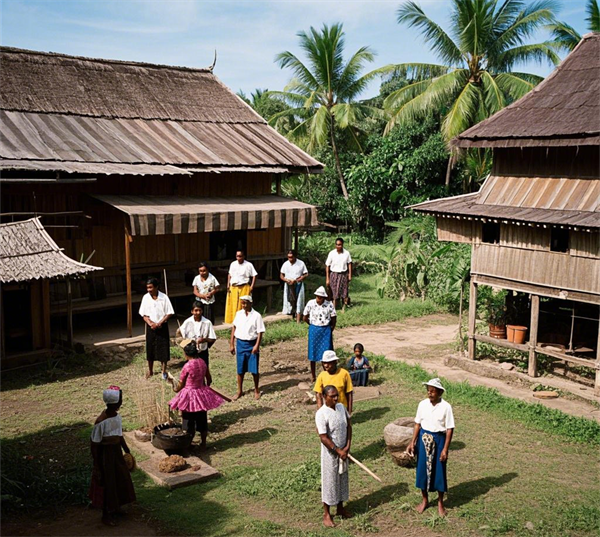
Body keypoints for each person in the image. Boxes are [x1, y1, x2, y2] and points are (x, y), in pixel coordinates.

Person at [407, 378, 455, 517]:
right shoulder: (422, 405)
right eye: (428, 390)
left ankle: (440, 502)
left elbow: (449, 429)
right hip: (423, 439)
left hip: (439, 440)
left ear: (439, 392)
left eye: (433, 391)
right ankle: (425, 500)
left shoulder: (446, 407)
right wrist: (412, 442)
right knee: (422, 470)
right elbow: (417, 424)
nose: (430, 393)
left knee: (439, 471)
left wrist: (445, 449)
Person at [89, 386, 136, 526]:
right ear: (114, 402)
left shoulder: (117, 417)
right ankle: (106, 514)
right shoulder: (100, 421)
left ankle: (116, 508)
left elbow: (119, 435)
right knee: (108, 483)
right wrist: (97, 464)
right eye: (120, 399)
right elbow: (94, 444)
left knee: (120, 479)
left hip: (116, 453)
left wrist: (127, 451)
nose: (121, 401)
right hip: (106, 456)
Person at [168, 342, 226, 449]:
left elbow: (180, 385)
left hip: (189, 396)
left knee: (187, 420)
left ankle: (188, 443)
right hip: (201, 394)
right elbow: (209, 379)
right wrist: (204, 388)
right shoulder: (202, 362)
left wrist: (173, 385)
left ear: (186, 354)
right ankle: (203, 444)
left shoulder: (187, 366)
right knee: (202, 419)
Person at [315, 385, 352, 528]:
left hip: (344, 451)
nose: (336, 398)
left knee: (342, 478)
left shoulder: (341, 408)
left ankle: (340, 508)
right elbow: (323, 437)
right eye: (332, 396)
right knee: (330, 481)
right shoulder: (321, 413)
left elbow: (349, 426)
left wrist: (347, 447)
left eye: (337, 395)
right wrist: (337, 450)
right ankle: (327, 514)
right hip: (330, 454)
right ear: (325, 397)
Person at [229, 295, 265, 400]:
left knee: (254, 369)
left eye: (246, 303)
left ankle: (256, 389)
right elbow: (234, 328)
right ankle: (239, 391)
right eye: (242, 303)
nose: (244, 305)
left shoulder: (256, 315)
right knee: (240, 369)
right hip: (240, 344)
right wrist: (232, 343)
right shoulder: (238, 314)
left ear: (251, 303)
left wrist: (256, 345)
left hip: (251, 344)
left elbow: (260, 332)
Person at [139, 278, 174, 380]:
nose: (149, 289)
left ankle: (164, 371)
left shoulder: (164, 297)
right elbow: (143, 315)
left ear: (156, 287)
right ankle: (150, 370)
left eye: (150, 287)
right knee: (150, 348)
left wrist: (159, 323)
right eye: (147, 287)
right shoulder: (145, 298)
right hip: (151, 327)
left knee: (163, 348)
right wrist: (151, 323)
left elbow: (169, 312)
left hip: (162, 326)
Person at [303, 286, 337, 382]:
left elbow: (334, 317)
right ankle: (313, 376)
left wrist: (331, 328)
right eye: (318, 297)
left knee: (326, 353)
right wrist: (311, 324)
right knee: (313, 353)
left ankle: (327, 374)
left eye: (321, 297)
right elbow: (304, 317)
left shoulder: (329, 304)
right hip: (314, 330)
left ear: (324, 298)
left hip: (325, 330)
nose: (319, 299)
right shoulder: (310, 303)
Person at [179, 301, 217, 375]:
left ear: (202, 311)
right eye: (196, 310)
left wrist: (204, 340)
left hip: (202, 352)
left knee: (203, 371)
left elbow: (213, 338)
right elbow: (180, 332)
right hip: (191, 352)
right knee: (192, 372)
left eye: (200, 310)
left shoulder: (207, 322)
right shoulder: (187, 322)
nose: (198, 312)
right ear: (192, 311)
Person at [225, 250, 257, 324]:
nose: (239, 258)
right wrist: (228, 284)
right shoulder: (233, 264)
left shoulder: (248, 265)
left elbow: (254, 275)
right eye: (237, 256)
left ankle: (243, 320)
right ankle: (233, 321)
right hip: (233, 287)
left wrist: (252, 286)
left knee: (243, 304)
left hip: (244, 287)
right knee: (232, 304)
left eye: (240, 256)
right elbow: (229, 274)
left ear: (244, 256)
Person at [280, 249, 309, 323]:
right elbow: (281, 275)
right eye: (289, 257)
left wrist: (300, 278)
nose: (290, 259)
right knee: (290, 301)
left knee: (299, 301)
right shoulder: (285, 264)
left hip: (298, 284)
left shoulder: (301, 263)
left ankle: (298, 320)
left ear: (295, 256)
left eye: (291, 257)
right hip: (288, 284)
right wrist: (286, 280)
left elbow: (306, 273)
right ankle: (292, 316)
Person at [325, 237, 352, 312]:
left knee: (344, 291)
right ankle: (334, 308)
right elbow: (327, 265)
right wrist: (327, 278)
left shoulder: (346, 253)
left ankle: (344, 307)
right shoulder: (332, 253)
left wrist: (349, 275)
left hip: (343, 274)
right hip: (334, 274)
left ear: (342, 245)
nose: (338, 246)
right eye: (337, 245)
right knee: (334, 292)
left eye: (340, 245)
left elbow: (349, 263)